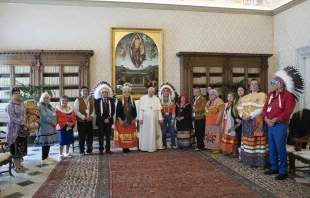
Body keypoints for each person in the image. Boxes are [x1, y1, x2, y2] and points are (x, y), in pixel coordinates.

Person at [262, 66, 304, 180]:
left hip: (280, 125)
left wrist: (276, 119)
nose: (272, 85)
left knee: (280, 148)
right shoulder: (271, 95)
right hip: (269, 124)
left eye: (274, 82)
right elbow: (265, 108)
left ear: (281, 84)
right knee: (272, 147)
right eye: (272, 82)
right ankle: (274, 167)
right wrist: (265, 118)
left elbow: (287, 111)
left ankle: (283, 171)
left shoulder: (288, 96)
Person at [239, 79, 268, 167]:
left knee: (257, 141)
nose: (253, 86)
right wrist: (243, 115)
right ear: (250, 86)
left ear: (258, 86)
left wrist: (251, 115)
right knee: (248, 140)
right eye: (252, 84)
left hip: (257, 121)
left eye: (255, 84)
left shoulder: (262, 95)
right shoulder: (245, 97)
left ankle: (259, 161)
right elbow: (240, 108)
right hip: (247, 122)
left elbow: (263, 108)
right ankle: (249, 161)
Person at [5, 87, 31, 173]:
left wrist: (28, 124)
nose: (18, 94)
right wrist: (24, 123)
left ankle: (20, 165)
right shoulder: (10, 105)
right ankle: (17, 167)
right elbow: (12, 118)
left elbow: (24, 115)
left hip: (23, 129)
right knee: (15, 148)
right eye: (16, 93)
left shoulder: (22, 103)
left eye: (19, 93)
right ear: (12, 95)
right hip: (14, 129)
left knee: (21, 147)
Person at [34, 92, 59, 164]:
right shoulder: (40, 106)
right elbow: (44, 117)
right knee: (45, 142)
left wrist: (55, 121)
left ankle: (47, 156)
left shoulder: (49, 106)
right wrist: (52, 122)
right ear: (41, 98)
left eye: (47, 98)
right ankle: (44, 158)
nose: (46, 99)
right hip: (44, 127)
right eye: (44, 98)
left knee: (48, 142)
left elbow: (54, 114)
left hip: (51, 127)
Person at [138, 87, 163, 152]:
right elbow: (140, 110)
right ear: (147, 91)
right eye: (149, 92)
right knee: (146, 133)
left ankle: (154, 147)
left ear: (154, 92)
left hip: (154, 120)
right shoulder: (143, 98)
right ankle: (145, 147)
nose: (150, 93)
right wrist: (140, 118)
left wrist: (160, 118)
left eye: (152, 92)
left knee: (154, 132)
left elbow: (159, 110)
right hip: (145, 120)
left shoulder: (157, 99)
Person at [114, 83, 137, 153]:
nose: (127, 94)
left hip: (130, 121)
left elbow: (135, 112)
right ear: (123, 94)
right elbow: (117, 112)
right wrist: (120, 120)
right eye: (125, 92)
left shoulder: (132, 102)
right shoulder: (120, 102)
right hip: (122, 120)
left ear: (130, 94)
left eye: (128, 92)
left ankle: (128, 147)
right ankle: (124, 148)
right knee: (123, 135)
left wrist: (133, 120)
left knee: (129, 135)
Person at [94, 83, 115, 155]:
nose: (105, 94)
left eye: (106, 92)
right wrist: (103, 119)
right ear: (101, 93)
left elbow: (113, 110)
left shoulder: (111, 100)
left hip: (109, 120)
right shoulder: (97, 101)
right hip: (100, 121)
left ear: (108, 93)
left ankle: (108, 149)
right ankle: (101, 149)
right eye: (103, 92)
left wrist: (108, 118)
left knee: (108, 135)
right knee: (101, 135)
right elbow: (97, 112)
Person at [74, 86, 94, 155]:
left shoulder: (91, 99)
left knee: (90, 136)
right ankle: (81, 150)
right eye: (83, 91)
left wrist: (91, 116)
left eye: (86, 91)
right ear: (81, 92)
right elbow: (76, 111)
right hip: (81, 121)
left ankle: (89, 149)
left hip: (89, 120)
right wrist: (84, 117)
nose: (85, 92)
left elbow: (94, 110)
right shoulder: (78, 100)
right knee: (82, 136)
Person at [56, 95, 76, 160]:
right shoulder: (58, 109)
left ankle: (67, 153)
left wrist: (72, 123)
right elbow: (59, 118)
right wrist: (67, 122)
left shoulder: (70, 108)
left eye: (66, 100)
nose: (64, 101)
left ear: (67, 101)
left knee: (69, 140)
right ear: (60, 101)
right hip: (62, 127)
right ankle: (60, 154)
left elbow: (73, 116)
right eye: (63, 100)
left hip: (70, 126)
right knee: (62, 141)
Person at [204, 89, 225, 153]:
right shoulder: (208, 102)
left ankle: (217, 148)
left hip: (216, 122)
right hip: (209, 122)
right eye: (209, 94)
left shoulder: (219, 101)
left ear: (216, 95)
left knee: (216, 134)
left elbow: (221, 112)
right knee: (210, 134)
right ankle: (211, 147)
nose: (210, 95)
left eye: (212, 94)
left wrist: (218, 120)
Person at [158, 84, 177, 149]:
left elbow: (174, 110)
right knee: (164, 131)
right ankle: (164, 144)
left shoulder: (172, 100)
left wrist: (172, 120)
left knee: (172, 131)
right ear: (162, 92)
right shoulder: (160, 101)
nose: (166, 92)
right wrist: (161, 118)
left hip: (170, 116)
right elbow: (159, 110)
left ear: (169, 92)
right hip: (163, 117)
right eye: (164, 91)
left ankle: (173, 144)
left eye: (167, 91)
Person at [220, 92, 238, 156]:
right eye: (228, 97)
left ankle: (234, 151)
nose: (229, 98)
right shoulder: (226, 104)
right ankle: (228, 150)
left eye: (231, 96)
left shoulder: (235, 104)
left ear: (234, 97)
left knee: (233, 135)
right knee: (227, 135)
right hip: (226, 121)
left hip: (232, 122)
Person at [235, 86, 245, 161]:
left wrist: (243, 120)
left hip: (245, 121)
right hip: (237, 121)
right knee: (238, 137)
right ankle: (240, 155)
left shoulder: (247, 99)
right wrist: (236, 118)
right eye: (238, 90)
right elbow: (233, 112)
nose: (240, 92)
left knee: (244, 138)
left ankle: (246, 155)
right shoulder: (235, 101)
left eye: (241, 90)